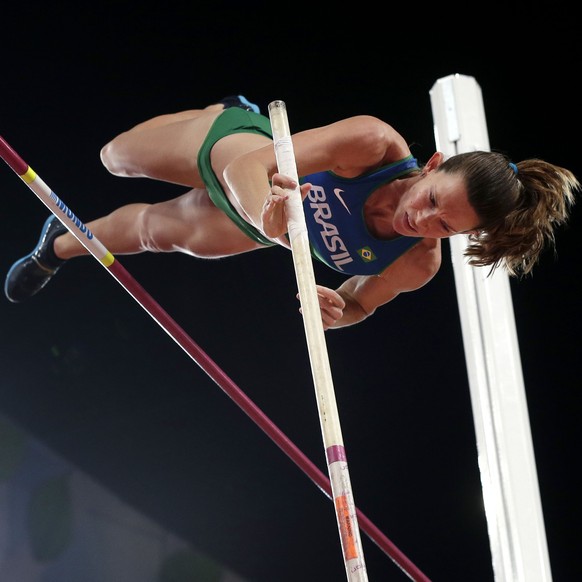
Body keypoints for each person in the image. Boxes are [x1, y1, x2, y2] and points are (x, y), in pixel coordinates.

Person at [4, 95, 579, 329]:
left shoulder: (415, 263)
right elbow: (248, 169)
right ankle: (221, 107)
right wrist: (269, 214)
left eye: (446, 226)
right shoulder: (373, 145)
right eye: (431, 201)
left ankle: (53, 247)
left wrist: (338, 310)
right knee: (115, 159)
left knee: (156, 235)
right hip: (244, 160)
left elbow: (359, 303)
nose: (421, 222)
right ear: (430, 166)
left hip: (261, 223)